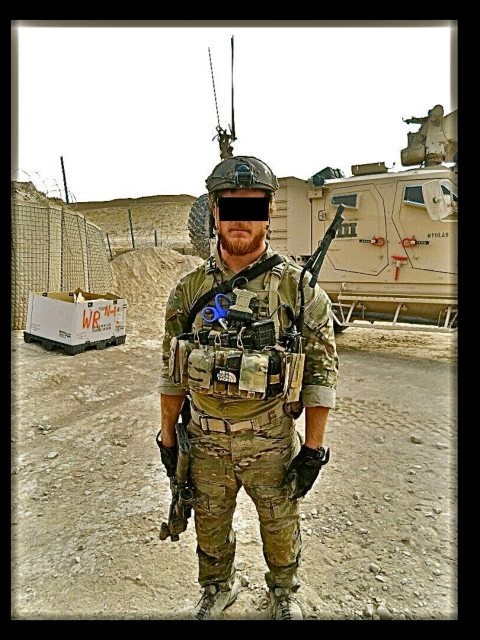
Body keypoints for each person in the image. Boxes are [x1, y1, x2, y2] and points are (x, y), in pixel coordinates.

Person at [157, 156, 338, 620]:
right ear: (214, 212)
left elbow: (320, 376)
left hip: (270, 438)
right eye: (230, 206)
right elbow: (172, 374)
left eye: (252, 207)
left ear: (269, 212)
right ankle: (218, 587)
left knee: (279, 522)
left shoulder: (299, 290)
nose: (240, 219)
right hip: (205, 439)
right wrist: (168, 438)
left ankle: (284, 592)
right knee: (209, 521)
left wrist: (313, 449)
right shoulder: (188, 290)